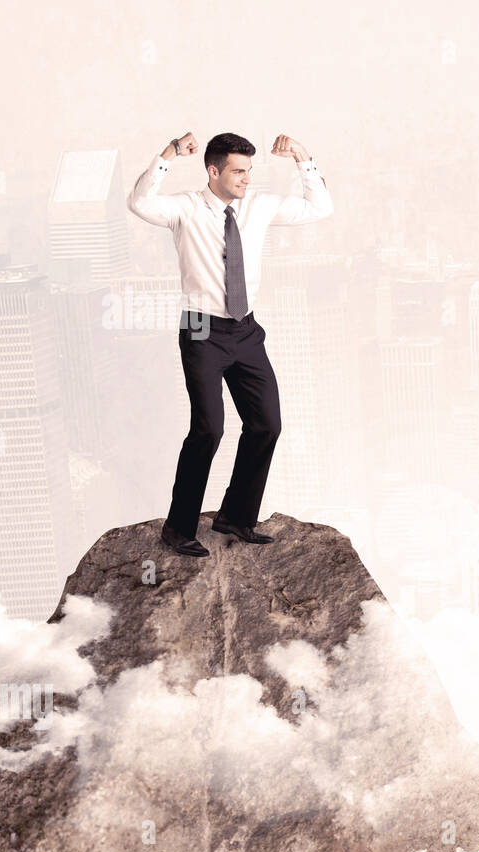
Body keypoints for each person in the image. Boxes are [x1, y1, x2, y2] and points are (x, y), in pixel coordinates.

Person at [127, 131, 333, 556]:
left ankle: (235, 516)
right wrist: (168, 153)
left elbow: (320, 206)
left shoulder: (258, 204)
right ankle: (178, 527)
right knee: (209, 429)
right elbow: (139, 202)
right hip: (202, 329)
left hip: (246, 330)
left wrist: (302, 157)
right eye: (238, 171)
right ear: (213, 170)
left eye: (248, 171)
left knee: (266, 424)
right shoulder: (184, 208)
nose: (245, 179)